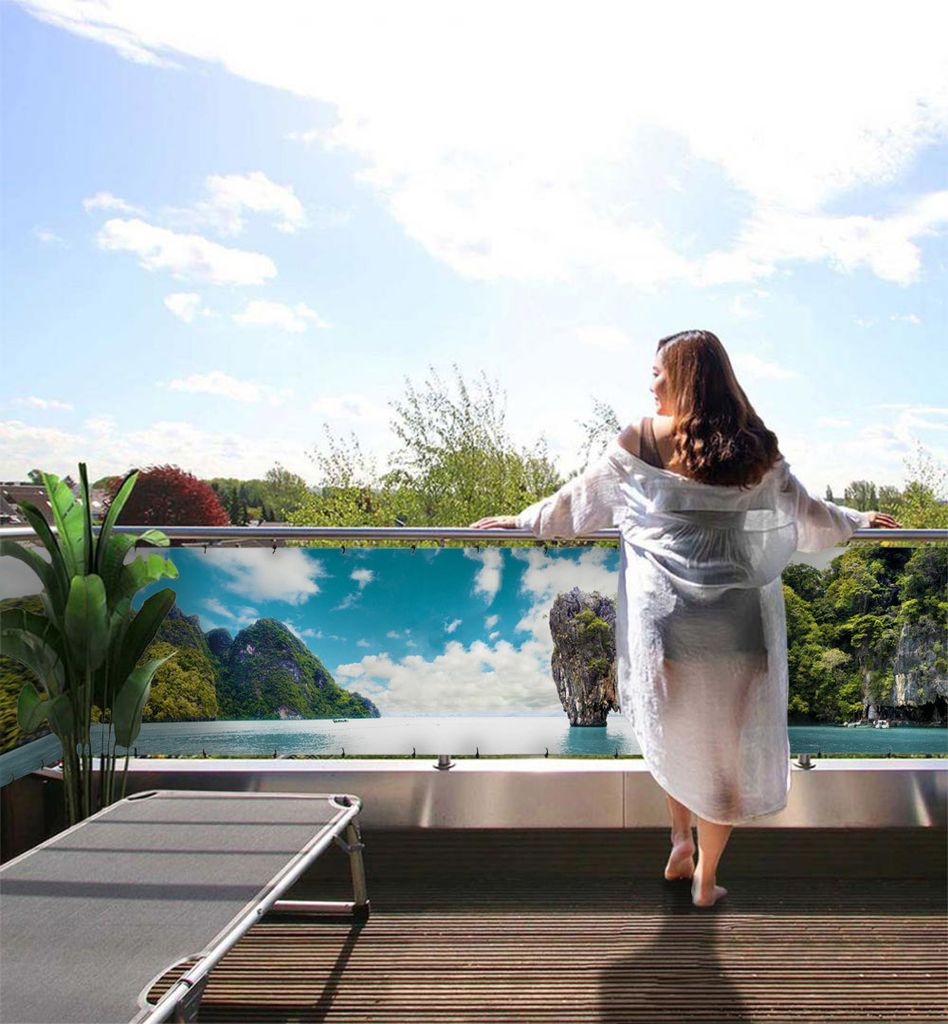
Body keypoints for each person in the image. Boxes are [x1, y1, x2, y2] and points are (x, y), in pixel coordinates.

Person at [470, 329, 901, 908]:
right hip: (739, 623)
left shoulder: (642, 439)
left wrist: (522, 522)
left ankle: (679, 839)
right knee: (722, 748)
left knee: (676, 733)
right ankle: (705, 875)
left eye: (658, 372)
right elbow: (809, 515)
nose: (651, 384)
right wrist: (860, 519)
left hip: (669, 622)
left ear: (683, 376)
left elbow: (576, 504)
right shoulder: (755, 445)